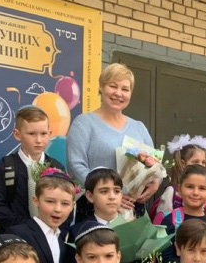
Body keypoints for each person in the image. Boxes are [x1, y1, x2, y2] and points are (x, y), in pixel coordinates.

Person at [66, 62, 159, 212]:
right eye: (113, 86)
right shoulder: (84, 123)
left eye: (125, 89)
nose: (118, 93)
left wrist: (156, 181)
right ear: (101, 88)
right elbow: (76, 165)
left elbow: (154, 164)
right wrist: (109, 194)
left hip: (133, 208)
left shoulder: (139, 127)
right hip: (95, 208)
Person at [0, 106, 67, 236]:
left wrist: (59, 232)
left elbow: (65, 203)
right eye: (31, 134)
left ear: (50, 134)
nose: (39, 140)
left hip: (50, 238)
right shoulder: (5, 167)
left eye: (43, 134)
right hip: (15, 239)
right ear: (17, 134)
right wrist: (27, 226)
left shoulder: (57, 168)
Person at [158, 165, 206, 263]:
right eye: (189, 187)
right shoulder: (171, 221)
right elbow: (165, 261)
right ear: (179, 189)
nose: (195, 192)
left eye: (202, 188)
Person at [151, 134, 206, 222]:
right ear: (183, 163)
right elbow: (162, 221)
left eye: (203, 162)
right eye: (195, 161)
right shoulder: (172, 192)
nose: (201, 165)